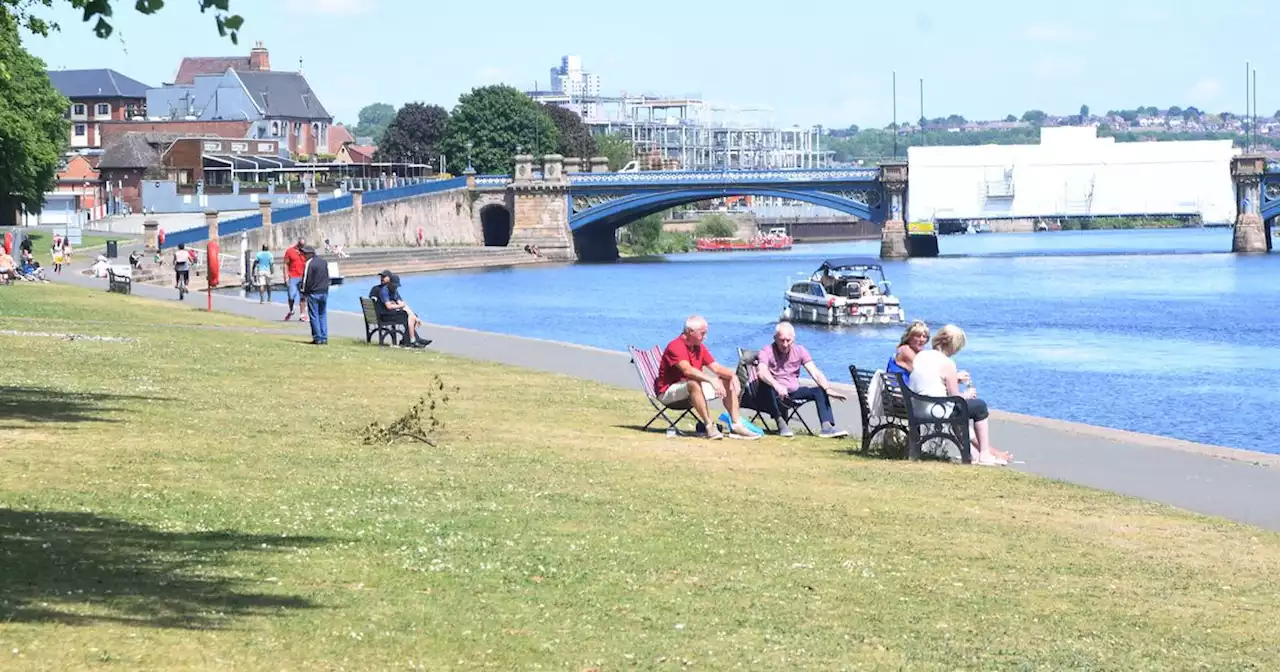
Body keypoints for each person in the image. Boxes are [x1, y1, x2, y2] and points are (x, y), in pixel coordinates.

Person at [908, 324, 1011, 466]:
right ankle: (984, 453)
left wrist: (954, 377)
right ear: (953, 346)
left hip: (917, 407)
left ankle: (972, 453)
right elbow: (955, 396)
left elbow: (930, 380)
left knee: (959, 410)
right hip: (936, 410)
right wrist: (967, 394)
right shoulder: (947, 363)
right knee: (979, 407)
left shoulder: (921, 356)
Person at [654, 315, 758, 440]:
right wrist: (711, 379)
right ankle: (709, 426)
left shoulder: (699, 348)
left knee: (725, 381)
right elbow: (687, 370)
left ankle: (736, 426)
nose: (705, 337)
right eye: (702, 334)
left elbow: (716, 368)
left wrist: (732, 376)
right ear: (690, 332)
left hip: (693, 390)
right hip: (668, 393)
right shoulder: (675, 346)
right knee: (693, 383)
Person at [750, 322, 848, 438]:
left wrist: (827, 388)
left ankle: (827, 427)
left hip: (792, 393)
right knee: (767, 386)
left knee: (819, 390)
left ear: (793, 339)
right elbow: (762, 372)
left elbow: (815, 372)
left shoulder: (800, 351)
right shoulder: (766, 351)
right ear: (775, 338)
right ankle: (781, 423)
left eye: (788, 340)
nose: (785, 344)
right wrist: (776, 385)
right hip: (771, 393)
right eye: (782, 340)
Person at [372, 270, 431, 347]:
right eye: (381, 277)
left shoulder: (390, 290)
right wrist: (399, 306)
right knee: (407, 316)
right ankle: (412, 340)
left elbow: (401, 304)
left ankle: (411, 339)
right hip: (383, 316)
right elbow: (392, 306)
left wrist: (414, 316)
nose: (381, 278)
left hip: (381, 314)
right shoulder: (382, 290)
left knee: (411, 316)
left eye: (383, 277)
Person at [300, 246, 330, 344]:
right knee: (322, 315)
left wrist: (303, 292)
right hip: (324, 291)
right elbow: (327, 277)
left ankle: (317, 337)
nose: (304, 256)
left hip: (314, 292)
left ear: (310, 254)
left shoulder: (309, 263)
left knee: (314, 315)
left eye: (305, 254)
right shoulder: (323, 262)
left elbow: (305, 279)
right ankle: (324, 337)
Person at [887, 321, 930, 386]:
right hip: (901, 392)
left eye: (924, 337)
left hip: (901, 391)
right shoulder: (905, 350)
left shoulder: (905, 349)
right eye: (918, 336)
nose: (921, 340)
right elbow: (923, 373)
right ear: (909, 338)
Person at [283, 238, 308, 321]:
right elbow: (286, 264)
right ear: (298, 244)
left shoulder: (306, 252)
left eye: (303, 246)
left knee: (303, 296)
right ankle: (291, 310)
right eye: (301, 245)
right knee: (291, 295)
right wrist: (286, 277)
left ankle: (302, 314)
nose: (302, 247)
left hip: (303, 277)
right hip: (293, 277)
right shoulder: (290, 251)